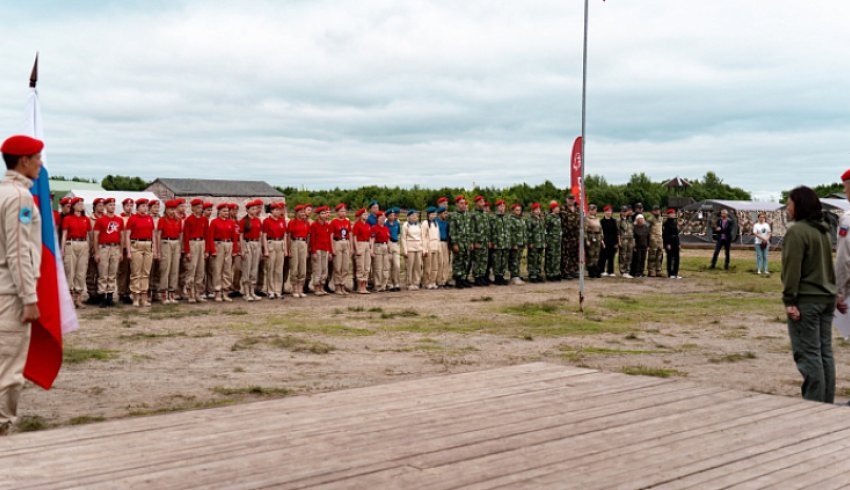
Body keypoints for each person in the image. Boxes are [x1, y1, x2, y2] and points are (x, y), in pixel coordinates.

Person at [0, 135, 44, 436]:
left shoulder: (4, 192)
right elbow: (19, 252)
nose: (41, 163)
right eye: (37, 157)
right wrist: (29, 297)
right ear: (24, 160)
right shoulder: (19, 197)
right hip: (11, 292)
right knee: (9, 369)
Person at [782, 186, 837, 404]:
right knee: (825, 353)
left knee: (808, 354)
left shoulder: (797, 231)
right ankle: (827, 402)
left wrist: (790, 300)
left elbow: (792, 268)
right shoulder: (822, 230)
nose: (787, 207)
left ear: (799, 205)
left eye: (790, 203)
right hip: (826, 297)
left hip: (807, 299)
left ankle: (814, 404)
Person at [93, 198, 124, 307]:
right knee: (103, 274)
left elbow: (121, 236)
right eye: (110, 205)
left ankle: (110, 297)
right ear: (105, 206)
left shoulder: (119, 220)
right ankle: (102, 297)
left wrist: (121, 251)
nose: (112, 207)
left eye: (114, 205)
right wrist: (96, 252)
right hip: (104, 248)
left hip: (115, 247)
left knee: (112, 273)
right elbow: (95, 237)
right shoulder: (100, 220)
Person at [125, 198, 156, 307]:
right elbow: (127, 236)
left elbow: (153, 235)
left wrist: (154, 249)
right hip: (136, 245)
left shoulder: (149, 218)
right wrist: (128, 252)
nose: (145, 208)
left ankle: (144, 297)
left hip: (148, 245)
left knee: (146, 273)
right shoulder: (132, 218)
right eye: (143, 206)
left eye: (146, 206)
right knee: (136, 273)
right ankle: (136, 298)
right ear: (137, 207)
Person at [61, 197, 91, 308]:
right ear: (73, 206)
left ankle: (78, 299)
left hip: (83, 244)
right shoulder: (68, 218)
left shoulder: (86, 219)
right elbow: (64, 235)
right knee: (70, 270)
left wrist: (88, 247)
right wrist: (62, 249)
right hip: (71, 243)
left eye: (82, 203)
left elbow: (88, 235)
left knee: (81, 271)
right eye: (78, 203)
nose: (81, 205)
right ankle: (70, 299)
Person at [207, 204, 238, 302]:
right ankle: (217, 292)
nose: (226, 213)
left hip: (228, 245)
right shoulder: (214, 222)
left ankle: (225, 292)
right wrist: (212, 250)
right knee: (217, 269)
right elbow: (210, 237)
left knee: (227, 269)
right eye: (224, 211)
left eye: (227, 211)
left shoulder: (231, 222)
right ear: (219, 212)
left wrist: (234, 250)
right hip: (218, 245)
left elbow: (235, 237)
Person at [156, 200, 183, 304]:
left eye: (174, 209)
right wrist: (158, 251)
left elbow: (180, 234)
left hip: (175, 243)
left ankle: (172, 293)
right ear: (166, 210)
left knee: (174, 269)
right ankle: (164, 294)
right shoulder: (162, 220)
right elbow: (158, 235)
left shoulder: (178, 220)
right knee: (165, 268)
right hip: (166, 242)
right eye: (170, 209)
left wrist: (180, 248)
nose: (172, 211)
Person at [182, 199, 209, 303]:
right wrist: (187, 251)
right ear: (192, 208)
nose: (200, 209)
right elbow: (186, 236)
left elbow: (206, 235)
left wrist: (206, 250)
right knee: (191, 269)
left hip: (201, 242)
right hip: (192, 243)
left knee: (200, 270)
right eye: (198, 207)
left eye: (201, 207)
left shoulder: (204, 220)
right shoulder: (189, 220)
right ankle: (190, 293)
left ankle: (198, 293)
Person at [239, 200, 264, 301]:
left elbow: (260, 235)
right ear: (247, 210)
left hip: (256, 244)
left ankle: (252, 291)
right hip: (247, 243)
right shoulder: (243, 221)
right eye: (252, 209)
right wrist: (242, 249)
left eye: (256, 208)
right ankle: (246, 292)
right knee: (247, 268)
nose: (255, 210)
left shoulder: (258, 221)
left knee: (254, 269)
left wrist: (261, 248)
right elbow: (240, 236)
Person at [262, 202, 287, 299]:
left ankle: (278, 290)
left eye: (279, 209)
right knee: (271, 268)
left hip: (280, 243)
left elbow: (284, 235)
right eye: (276, 210)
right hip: (271, 243)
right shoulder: (266, 221)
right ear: (271, 211)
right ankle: (270, 291)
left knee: (279, 269)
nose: (278, 211)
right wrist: (266, 250)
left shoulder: (282, 220)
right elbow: (264, 236)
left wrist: (285, 249)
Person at [449, 196, 474, 288]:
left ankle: (464, 279)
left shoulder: (467, 215)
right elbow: (452, 231)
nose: (463, 205)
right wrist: (454, 243)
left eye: (464, 203)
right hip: (459, 243)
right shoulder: (454, 216)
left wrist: (471, 242)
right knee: (458, 261)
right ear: (457, 204)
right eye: (461, 203)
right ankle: (458, 280)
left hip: (467, 243)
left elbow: (470, 229)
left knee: (466, 261)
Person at [329, 203, 352, 295]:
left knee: (345, 266)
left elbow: (349, 234)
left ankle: (343, 285)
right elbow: (331, 235)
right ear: (337, 212)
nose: (343, 213)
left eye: (344, 211)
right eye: (341, 211)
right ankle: (337, 286)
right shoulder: (334, 222)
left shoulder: (347, 221)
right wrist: (332, 248)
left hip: (345, 242)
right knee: (337, 266)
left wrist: (350, 247)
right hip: (337, 242)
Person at [309, 206, 332, 296]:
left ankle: (322, 287)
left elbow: (328, 239)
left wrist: (330, 251)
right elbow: (313, 239)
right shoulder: (314, 225)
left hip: (325, 249)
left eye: (325, 213)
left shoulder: (327, 225)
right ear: (318, 215)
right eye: (322, 213)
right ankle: (316, 288)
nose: (324, 215)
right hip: (318, 249)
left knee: (324, 269)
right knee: (317, 269)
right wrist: (313, 252)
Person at [401, 209, 424, 291]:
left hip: (419, 247)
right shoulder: (405, 225)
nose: (415, 217)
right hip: (410, 248)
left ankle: (416, 282)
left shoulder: (419, 225)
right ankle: (409, 283)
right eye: (413, 215)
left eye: (416, 215)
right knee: (410, 266)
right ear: (408, 217)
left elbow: (422, 237)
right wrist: (405, 250)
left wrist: (423, 249)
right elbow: (403, 238)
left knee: (418, 266)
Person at [352, 208, 373, 294]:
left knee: (367, 266)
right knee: (360, 265)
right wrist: (357, 249)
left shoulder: (368, 225)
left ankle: (365, 285)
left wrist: (370, 247)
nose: (366, 216)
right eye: (364, 214)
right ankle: (360, 287)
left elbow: (370, 236)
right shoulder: (357, 225)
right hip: (360, 244)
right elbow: (354, 237)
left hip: (367, 244)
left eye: (367, 214)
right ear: (360, 216)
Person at [489, 200, 510, 286]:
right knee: (496, 261)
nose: (502, 208)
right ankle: (497, 278)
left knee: (504, 261)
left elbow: (509, 231)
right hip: (497, 243)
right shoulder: (493, 218)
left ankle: (502, 277)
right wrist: (491, 241)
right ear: (497, 207)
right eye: (500, 206)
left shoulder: (507, 218)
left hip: (505, 243)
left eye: (503, 206)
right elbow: (490, 231)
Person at [470, 196, 489, 286]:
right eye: (481, 202)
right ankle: (477, 278)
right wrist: (474, 242)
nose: (483, 203)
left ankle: (482, 277)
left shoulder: (485, 214)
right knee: (477, 260)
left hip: (485, 242)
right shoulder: (474, 215)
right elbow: (472, 229)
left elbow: (487, 229)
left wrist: (488, 240)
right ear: (477, 203)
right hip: (478, 242)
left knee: (484, 260)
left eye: (483, 201)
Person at [560, 195, 580, 280]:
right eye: (569, 199)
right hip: (566, 235)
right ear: (566, 200)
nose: (571, 201)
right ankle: (565, 272)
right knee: (566, 254)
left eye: (572, 199)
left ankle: (573, 270)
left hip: (575, 235)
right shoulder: (562, 209)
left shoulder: (578, 209)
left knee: (574, 254)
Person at [371, 211, 391, 292]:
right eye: (381, 217)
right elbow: (372, 239)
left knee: (386, 267)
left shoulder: (386, 228)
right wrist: (371, 250)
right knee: (378, 267)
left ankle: (384, 285)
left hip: (385, 246)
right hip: (378, 246)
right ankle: (377, 285)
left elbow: (388, 239)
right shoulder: (374, 227)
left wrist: (389, 251)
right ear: (377, 218)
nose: (383, 219)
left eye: (384, 218)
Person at [422, 207, 441, 290]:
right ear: (429, 215)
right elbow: (423, 236)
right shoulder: (425, 223)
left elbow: (438, 236)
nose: (434, 215)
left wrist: (438, 247)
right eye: (432, 214)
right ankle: (427, 282)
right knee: (428, 266)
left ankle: (433, 281)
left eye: (435, 214)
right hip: (429, 246)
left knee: (435, 266)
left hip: (435, 246)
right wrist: (424, 249)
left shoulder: (436, 223)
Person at [526, 203, 545, 283]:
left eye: (539, 209)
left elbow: (543, 231)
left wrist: (544, 241)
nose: (538, 211)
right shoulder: (530, 219)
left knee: (538, 259)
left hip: (540, 242)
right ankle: (532, 275)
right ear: (533, 210)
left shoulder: (541, 219)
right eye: (536, 209)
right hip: (533, 243)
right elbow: (528, 232)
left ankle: (538, 274)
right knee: (532, 259)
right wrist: (530, 242)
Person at [508, 203, 526, 285]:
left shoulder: (521, 219)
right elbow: (511, 232)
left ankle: (517, 275)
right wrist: (513, 243)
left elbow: (523, 231)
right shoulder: (511, 219)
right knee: (514, 260)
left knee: (518, 260)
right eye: (517, 210)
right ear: (513, 211)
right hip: (515, 243)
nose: (518, 211)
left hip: (521, 242)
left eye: (520, 210)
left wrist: (524, 241)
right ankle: (514, 277)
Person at [584, 204, 603, 279]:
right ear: (590, 210)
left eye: (595, 210)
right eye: (594, 210)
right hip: (591, 237)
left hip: (598, 237)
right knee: (591, 254)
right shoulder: (587, 219)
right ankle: (591, 270)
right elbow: (584, 230)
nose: (595, 211)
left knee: (597, 254)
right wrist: (586, 240)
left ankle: (596, 269)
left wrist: (601, 237)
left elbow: (601, 229)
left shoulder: (597, 219)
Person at [598, 205, 618, 277]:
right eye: (607, 211)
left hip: (612, 241)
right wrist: (602, 241)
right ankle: (602, 270)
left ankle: (610, 271)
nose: (608, 212)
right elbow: (600, 232)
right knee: (603, 256)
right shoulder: (601, 221)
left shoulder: (614, 221)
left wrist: (616, 242)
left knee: (611, 257)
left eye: (610, 211)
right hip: (604, 241)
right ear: (604, 212)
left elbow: (616, 232)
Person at [385, 207, 402, 292]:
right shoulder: (386, 224)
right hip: (388, 243)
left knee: (397, 265)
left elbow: (398, 232)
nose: (393, 216)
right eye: (391, 215)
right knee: (388, 265)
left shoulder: (397, 223)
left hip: (395, 243)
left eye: (393, 215)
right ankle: (389, 283)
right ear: (387, 216)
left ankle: (396, 282)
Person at [545, 202, 562, 281]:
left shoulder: (558, 217)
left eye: (558, 208)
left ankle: (556, 272)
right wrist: (546, 240)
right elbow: (545, 229)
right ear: (552, 209)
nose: (558, 209)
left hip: (558, 240)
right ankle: (550, 273)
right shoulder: (549, 217)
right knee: (550, 257)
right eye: (556, 208)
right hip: (551, 240)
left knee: (557, 256)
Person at [663, 208, 681, 279]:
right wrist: (667, 244)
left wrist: (679, 243)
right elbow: (665, 235)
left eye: (673, 213)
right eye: (671, 214)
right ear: (668, 215)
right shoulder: (666, 224)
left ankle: (675, 273)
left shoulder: (674, 223)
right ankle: (670, 273)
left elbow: (677, 234)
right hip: (670, 242)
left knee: (677, 258)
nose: (673, 215)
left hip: (675, 242)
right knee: (670, 258)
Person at [646, 205, 664, 277]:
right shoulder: (650, 219)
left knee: (659, 256)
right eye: (655, 210)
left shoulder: (661, 218)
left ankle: (658, 270)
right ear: (652, 211)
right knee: (652, 256)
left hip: (660, 239)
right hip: (653, 239)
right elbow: (646, 229)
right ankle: (651, 271)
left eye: (658, 210)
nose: (657, 211)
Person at [435, 204, 451, 287]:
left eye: (446, 213)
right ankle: (439, 280)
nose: (446, 215)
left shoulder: (447, 222)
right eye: (445, 213)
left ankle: (445, 280)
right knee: (440, 262)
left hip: (446, 243)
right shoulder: (436, 222)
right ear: (440, 213)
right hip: (439, 242)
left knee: (446, 262)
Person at [618, 205, 635, 279]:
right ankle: (622, 271)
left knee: (629, 255)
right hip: (623, 239)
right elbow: (617, 232)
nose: (625, 213)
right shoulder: (619, 221)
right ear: (621, 212)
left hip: (630, 239)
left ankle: (627, 271)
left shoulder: (629, 220)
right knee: (623, 255)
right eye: (623, 211)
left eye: (626, 211)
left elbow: (632, 231)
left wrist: (634, 240)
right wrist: (619, 241)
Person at [631, 214, 649, 278]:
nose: (641, 220)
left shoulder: (646, 227)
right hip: (637, 246)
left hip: (644, 245)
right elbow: (633, 237)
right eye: (640, 219)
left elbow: (648, 237)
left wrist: (648, 245)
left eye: (642, 219)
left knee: (643, 259)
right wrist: (634, 246)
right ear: (637, 220)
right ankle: (636, 272)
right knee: (637, 259)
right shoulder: (634, 227)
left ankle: (641, 272)